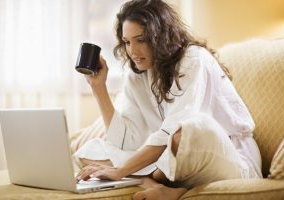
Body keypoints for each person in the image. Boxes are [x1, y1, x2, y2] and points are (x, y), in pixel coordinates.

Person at [74, 0, 262, 199]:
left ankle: (151, 176)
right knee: (89, 151)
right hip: (169, 158)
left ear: (160, 37)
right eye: (127, 42)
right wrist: (98, 87)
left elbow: (173, 130)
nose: (133, 52)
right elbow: (125, 141)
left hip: (225, 156)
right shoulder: (136, 72)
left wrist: (121, 170)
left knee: (186, 131)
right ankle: (158, 184)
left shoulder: (194, 58)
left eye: (141, 40)